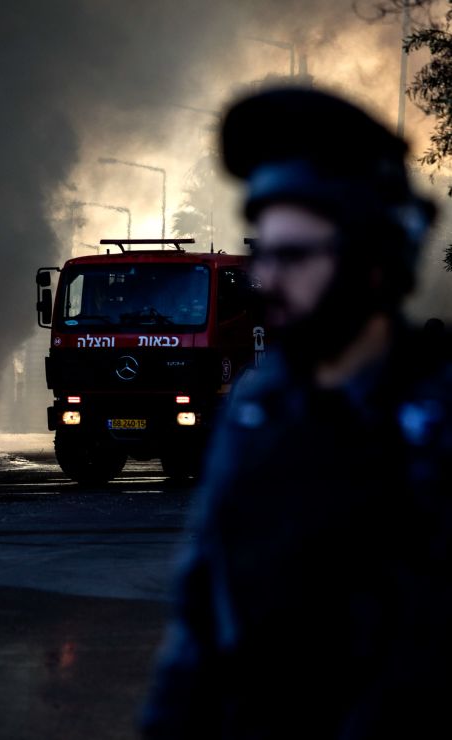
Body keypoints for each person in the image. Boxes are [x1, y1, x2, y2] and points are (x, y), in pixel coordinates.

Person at [140, 87, 452, 738]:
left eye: (296, 256)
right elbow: (201, 620)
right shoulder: (258, 408)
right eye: (264, 253)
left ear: (375, 262)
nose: (266, 281)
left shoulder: (437, 421)